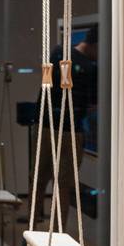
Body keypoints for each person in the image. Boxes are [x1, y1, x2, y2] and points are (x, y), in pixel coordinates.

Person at [39, 22, 98, 231]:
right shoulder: (90, 67)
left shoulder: (58, 53)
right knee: (62, 184)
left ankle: (38, 227)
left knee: (41, 180)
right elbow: (92, 103)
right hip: (68, 130)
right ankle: (57, 231)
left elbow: (45, 88)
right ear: (95, 44)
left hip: (48, 125)